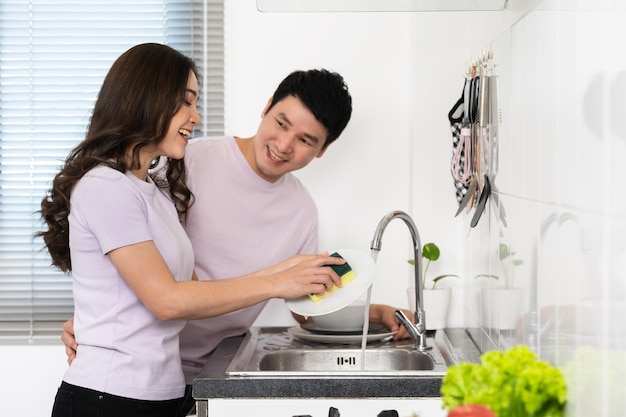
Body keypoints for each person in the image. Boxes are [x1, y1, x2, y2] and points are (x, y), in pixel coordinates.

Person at [60, 67, 415, 417]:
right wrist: (92, 318)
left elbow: (305, 306)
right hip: (127, 379)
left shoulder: (302, 211)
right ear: (266, 107)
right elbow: (117, 243)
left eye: (306, 140)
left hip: (203, 377)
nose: (284, 145)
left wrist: (376, 314)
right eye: (281, 123)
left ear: (323, 149)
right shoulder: (185, 160)